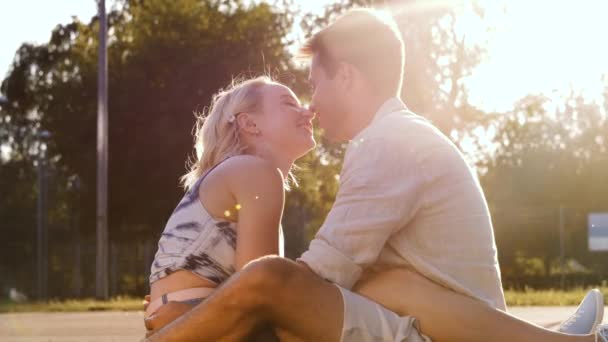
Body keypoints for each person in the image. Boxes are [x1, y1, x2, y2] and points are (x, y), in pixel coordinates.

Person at [144, 8, 607, 342]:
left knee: (276, 282)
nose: (311, 104)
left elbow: (311, 275)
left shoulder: (388, 142)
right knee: (378, 283)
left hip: (445, 330)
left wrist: (192, 316)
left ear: (345, 76)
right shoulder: (393, 137)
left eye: (313, 84)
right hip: (436, 317)